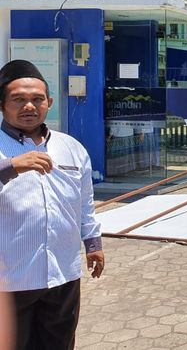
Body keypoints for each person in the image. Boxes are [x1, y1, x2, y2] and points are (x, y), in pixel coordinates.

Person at [0, 59, 104, 350]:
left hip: (62, 273)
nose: (29, 106)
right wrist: (9, 167)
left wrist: (93, 244)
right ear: (2, 105)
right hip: (9, 280)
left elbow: (85, 202)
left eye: (37, 99)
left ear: (50, 102)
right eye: (18, 99)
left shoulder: (70, 146)